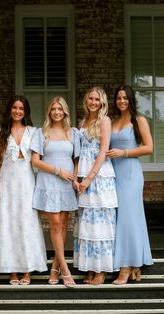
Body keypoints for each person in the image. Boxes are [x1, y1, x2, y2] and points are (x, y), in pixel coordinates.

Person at [0, 95, 47, 284]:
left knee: (26, 223)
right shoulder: (0, 132)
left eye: (21, 108)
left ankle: (27, 269)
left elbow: (38, 160)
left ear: (25, 111)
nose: (17, 111)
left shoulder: (34, 132)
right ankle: (12, 270)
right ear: (10, 110)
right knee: (8, 223)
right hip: (6, 182)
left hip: (26, 182)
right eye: (14, 108)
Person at [30, 96, 80, 288]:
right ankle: (65, 270)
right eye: (54, 109)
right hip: (49, 180)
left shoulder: (72, 132)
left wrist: (74, 178)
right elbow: (35, 161)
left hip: (67, 183)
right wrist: (58, 171)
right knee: (56, 223)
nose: (57, 112)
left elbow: (76, 159)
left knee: (63, 224)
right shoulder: (41, 133)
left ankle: (55, 266)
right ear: (49, 112)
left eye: (60, 109)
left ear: (65, 111)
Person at [106, 84, 154, 284]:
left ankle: (126, 267)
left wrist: (124, 152)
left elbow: (149, 147)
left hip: (130, 173)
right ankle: (133, 264)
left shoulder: (139, 120)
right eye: (119, 98)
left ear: (131, 99)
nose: (122, 101)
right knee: (118, 217)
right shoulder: (113, 121)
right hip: (112, 172)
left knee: (128, 216)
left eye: (125, 98)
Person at [73, 86, 118, 285]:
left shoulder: (105, 120)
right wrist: (77, 177)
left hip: (99, 176)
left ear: (102, 102)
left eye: (97, 99)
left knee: (101, 223)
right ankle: (90, 267)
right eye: (90, 98)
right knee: (87, 223)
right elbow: (77, 152)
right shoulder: (82, 121)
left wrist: (90, 178)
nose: (93, 102)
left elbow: (103, 151)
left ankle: (102, 269)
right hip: (83, 174)